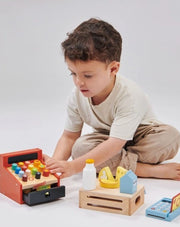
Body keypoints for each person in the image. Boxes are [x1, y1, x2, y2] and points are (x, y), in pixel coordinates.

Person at [43, 18, 180, 180]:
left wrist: (74, 166)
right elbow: (69, 137)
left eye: (88, 75)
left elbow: (116, 143)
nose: (79, 82)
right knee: (80, 148)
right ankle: (146, 169)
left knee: (170, 138)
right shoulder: (76, 96)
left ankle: (125, 165)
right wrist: (55, 164)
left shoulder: (129, 95)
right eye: (73, 73)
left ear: (113, 68)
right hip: (107, 138)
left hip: (141, 136)